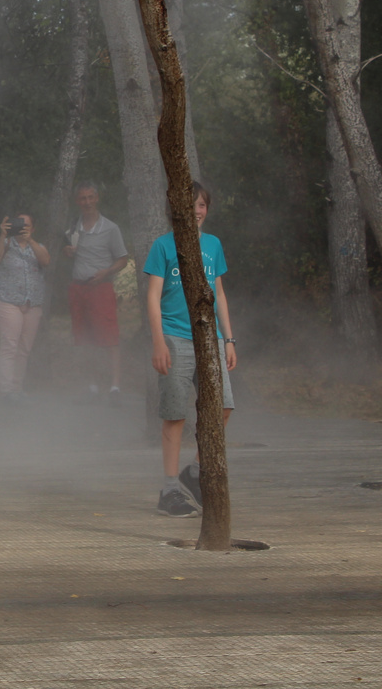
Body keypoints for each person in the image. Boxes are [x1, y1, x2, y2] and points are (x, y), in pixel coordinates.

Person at [143, 183, 236, 518]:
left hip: (208, 339)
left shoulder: (213, 245)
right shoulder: (164, 246)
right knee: (176, 414)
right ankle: (169, 490)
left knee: (223, 406)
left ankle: (193, 471)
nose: (197, 211)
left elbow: (220, 294)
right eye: (191, 205)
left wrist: (228, 338)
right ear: (176, 210)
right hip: (175, 337)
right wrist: (158, 341)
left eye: (202, 205)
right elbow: (153, 296)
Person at [62, 182, 131, 402]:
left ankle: (115, 388)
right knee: (85, 338)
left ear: (97, 198)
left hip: (101, 288)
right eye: (83, 198)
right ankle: (92, 386)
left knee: (110, 338)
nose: (87, 202)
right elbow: (69, 253)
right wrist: (67, 252)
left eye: (90, 197)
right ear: (77, 201)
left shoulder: (110, 228)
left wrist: (106, 272)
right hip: (78, 288)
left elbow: (123, 259)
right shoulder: (73, 227)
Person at [0, 211, 49, 400]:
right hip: (8, 302)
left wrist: (30, 241)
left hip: (33, 304)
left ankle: (17, 388)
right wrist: (2, 236)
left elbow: (45, 261)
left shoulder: (38, 247)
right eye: (19, 225)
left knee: (24, 348)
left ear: (33, 228)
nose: (22, 229)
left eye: (27, 226)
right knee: (10, 345)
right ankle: (6, 390)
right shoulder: (5, 245)